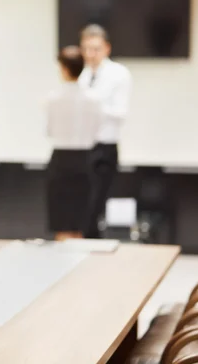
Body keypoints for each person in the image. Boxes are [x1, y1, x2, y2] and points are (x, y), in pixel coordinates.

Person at [78, 24, 132, 238]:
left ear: (107, 48)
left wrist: (92, 106)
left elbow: (120, 112)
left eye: (95, 49)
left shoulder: (119, 74)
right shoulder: (81, 75)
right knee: (80, 205)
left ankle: (92, 246)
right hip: (82, 147)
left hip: (105, 148)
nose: (90, 54)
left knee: (95, 205)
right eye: (86, 49)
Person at [44, 46, 101, 241]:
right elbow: (96, 132)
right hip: (84, 160)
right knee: (79, 221)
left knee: (61, 221)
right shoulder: (94, 99)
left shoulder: (53, 99)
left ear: (64, 68)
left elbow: (49, 131)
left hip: (60, 160)